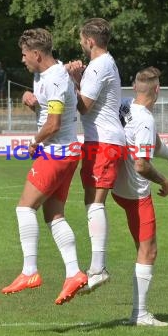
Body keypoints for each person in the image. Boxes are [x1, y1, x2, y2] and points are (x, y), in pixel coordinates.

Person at [1, 28, 87, 305]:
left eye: (25, 55)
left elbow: (54, 124)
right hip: (65, 152)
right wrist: (33, 103)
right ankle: (73, 272)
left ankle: (30, 271)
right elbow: (48, 113)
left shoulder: (56, 78)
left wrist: (34, 142)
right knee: (54, 216)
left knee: (25, 208)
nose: (23, 60)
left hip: (57, 152)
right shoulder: (46, 76)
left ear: (37, 54)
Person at [64, 18, 126, 294]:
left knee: (96, 203)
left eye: (81, 40)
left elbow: (84, 106)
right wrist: (77, 79)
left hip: (104, 141)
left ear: (89, 41)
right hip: (100, 141)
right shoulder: (104, 64)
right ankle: (96, 267)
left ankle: (98, 268)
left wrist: (71, 80)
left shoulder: (100, 65)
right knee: (92, 201)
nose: (80, 44)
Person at [111, 67, 168, 327]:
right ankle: (140, 313)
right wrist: (164, 180)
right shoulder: (147, 120)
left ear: (134, 87)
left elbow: (150, 142)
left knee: (142, 249)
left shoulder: (124, 105)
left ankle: (139, 311)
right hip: (137, 194)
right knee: (149, 250)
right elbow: (142, 165)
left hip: (116, 189)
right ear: (157, 90)